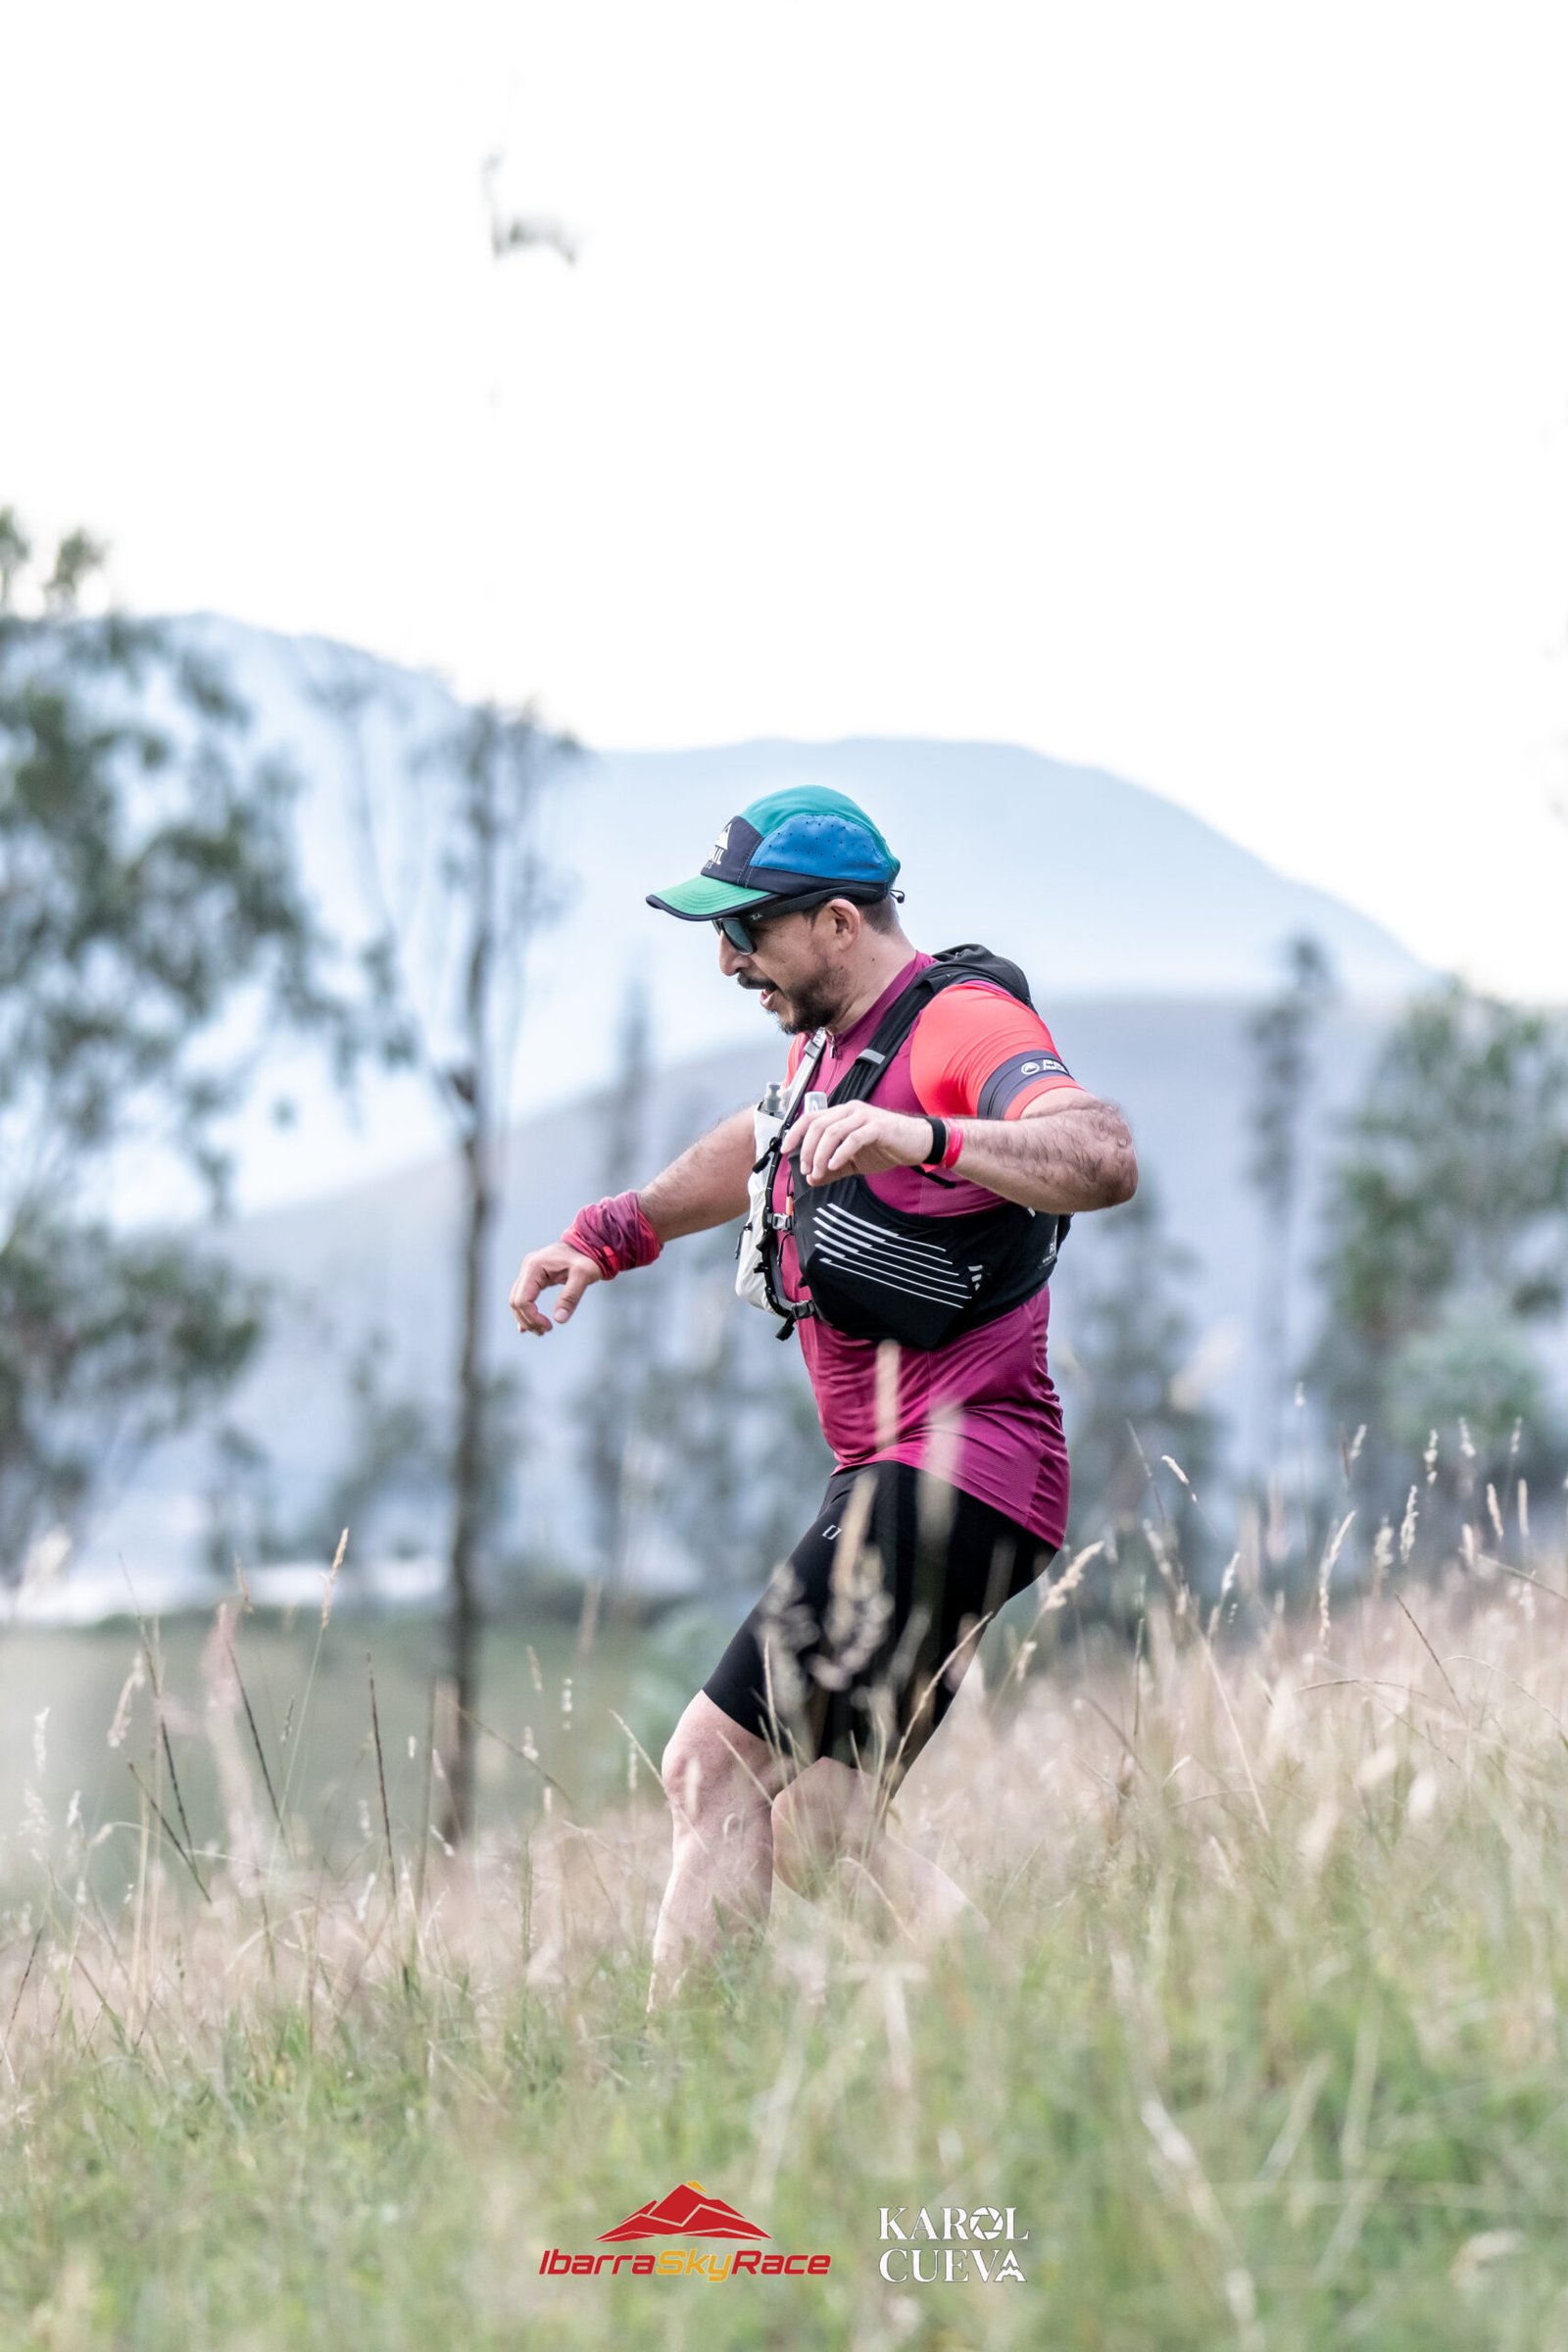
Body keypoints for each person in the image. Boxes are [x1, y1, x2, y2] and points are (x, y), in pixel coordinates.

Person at [508, 786, 1137, 2002]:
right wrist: (609, 1234)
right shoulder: (834, 1041)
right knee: (824, 1827)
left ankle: (675, 2073)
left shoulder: (959, 1026)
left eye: (746, 929)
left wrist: (927, 1139)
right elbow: (764, 1139)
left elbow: (1102, 1154)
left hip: (949, 1472)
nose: (728, 960)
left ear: (839, 923)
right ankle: (1021, 2019)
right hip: (944, 1485)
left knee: (708, 1769)